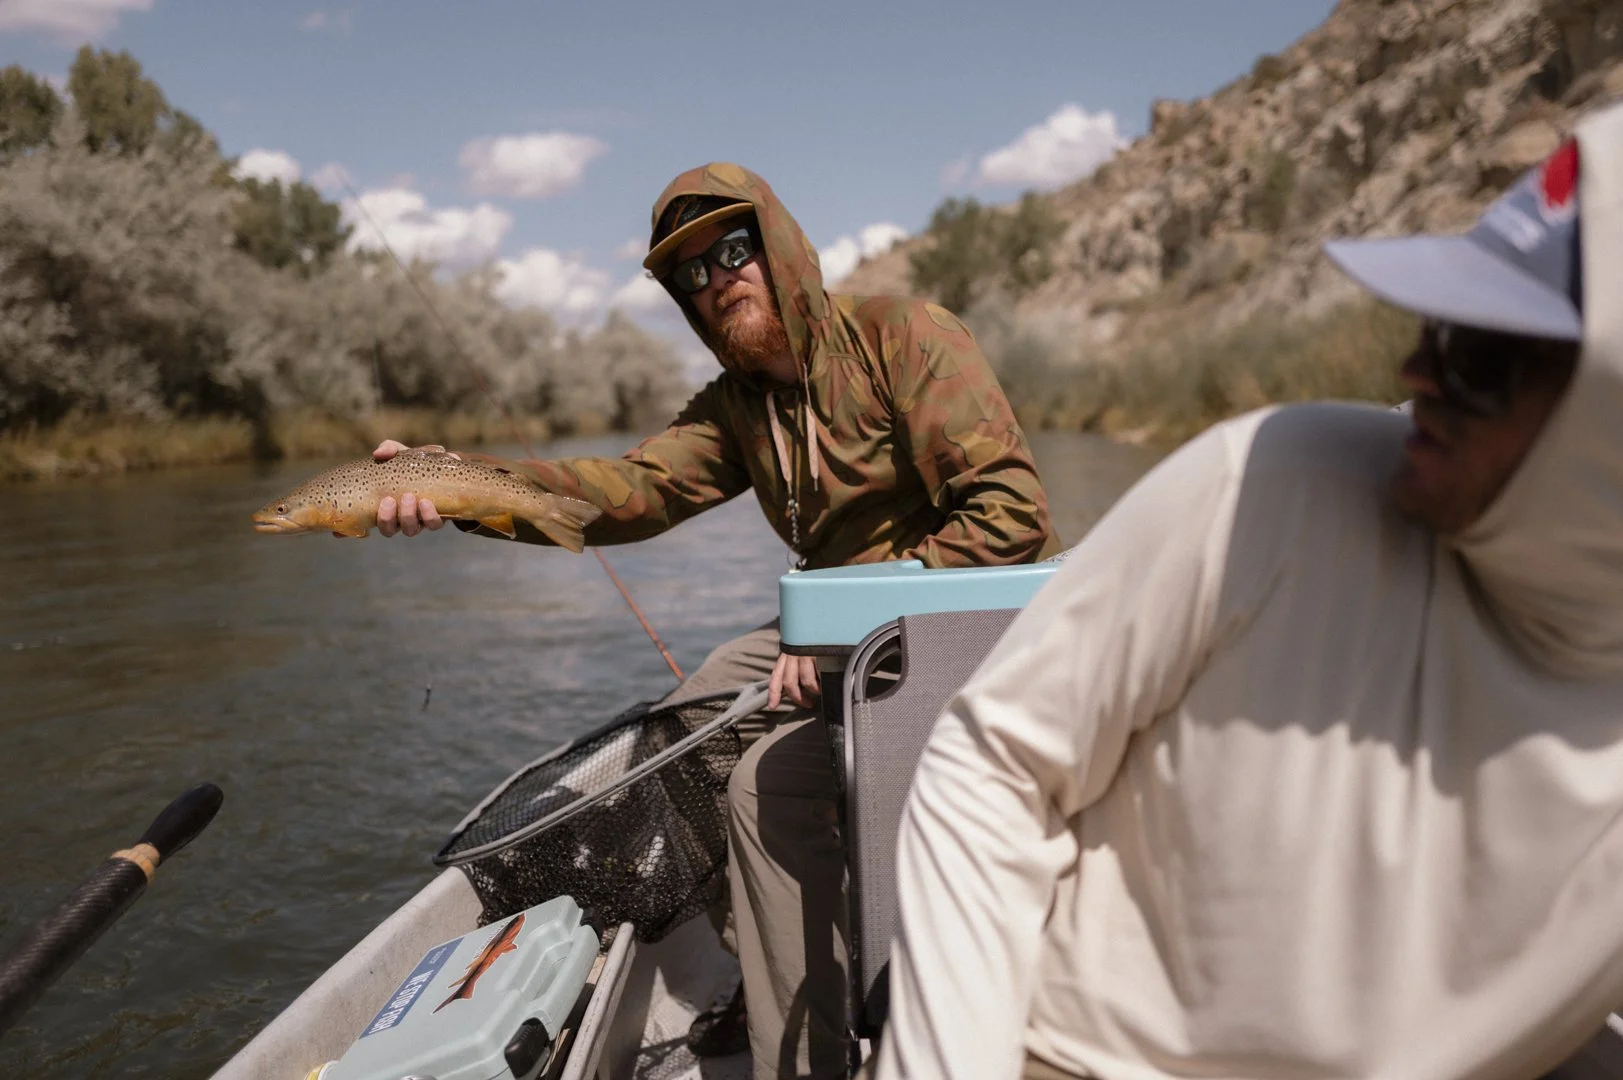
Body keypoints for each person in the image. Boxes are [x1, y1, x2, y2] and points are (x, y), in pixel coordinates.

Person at [876, 101, 1623, 1080]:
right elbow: (992, 761)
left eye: (1480, 357)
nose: (1415, 372)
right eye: (1439, 326)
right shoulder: (1268, 485)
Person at [370, 162, 1061, 1076]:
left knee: (762, 787)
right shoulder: (736, 406)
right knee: (682, 732)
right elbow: (629, 491)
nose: (719, 278)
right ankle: (779, 962)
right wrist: (462, 487)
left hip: (955, 631)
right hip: (831, 634)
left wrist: (839, 629)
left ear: (779, 246)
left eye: (734, 249)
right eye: (691, 272)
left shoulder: (905, 337)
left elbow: (1011, 517)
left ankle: (808, 1057)